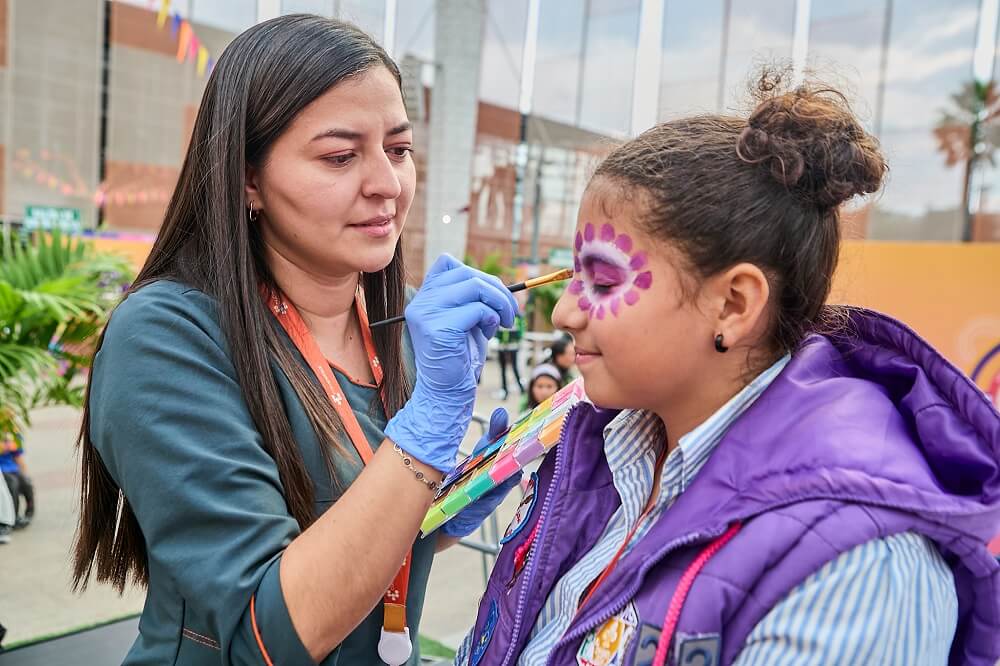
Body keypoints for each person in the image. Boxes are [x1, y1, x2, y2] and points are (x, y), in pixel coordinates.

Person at [456, 71, 1000, 666]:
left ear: (735, 304)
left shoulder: (856, 569)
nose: (563, 312)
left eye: (603, 280)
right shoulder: (608, 452)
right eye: (571, 278)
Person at [71, 15, 519, 666]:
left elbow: (358, 536)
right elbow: (267, 632)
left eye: (398, 149)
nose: (388, 185)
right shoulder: (167, 337)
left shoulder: (402, 333)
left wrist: (443, 507)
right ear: (248, 178)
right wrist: (423, 439)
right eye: (340, 156)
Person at [1, 430, 34, 530]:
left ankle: (29, 512)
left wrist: (25, 473)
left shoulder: (12, 433)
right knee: (13, 484)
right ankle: (13, 517)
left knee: (26, 483)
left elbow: (18, 457)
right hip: (2, 470)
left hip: (13, 468)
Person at [494, 312, 526, 400]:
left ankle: (521, 388)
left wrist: (516, 340)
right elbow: (496, 330)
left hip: (512, 346)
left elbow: (521, 331)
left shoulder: (518, 317)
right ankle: (504, 389)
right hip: (501, 346)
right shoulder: (500, 316)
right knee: (503, 369)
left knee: (514, 368)